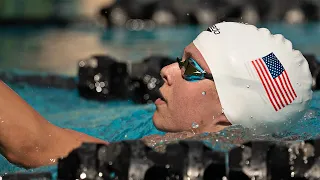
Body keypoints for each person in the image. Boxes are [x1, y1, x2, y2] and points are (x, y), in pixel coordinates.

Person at [0, 22, 313, 169]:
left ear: (228, 111)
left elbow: (33, 146)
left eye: (190, 67)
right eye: (179, 59)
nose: (166, 70)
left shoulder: (171, 162)